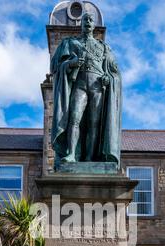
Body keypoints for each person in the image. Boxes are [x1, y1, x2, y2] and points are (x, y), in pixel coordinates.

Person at [51, 12, 122, 170]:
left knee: (94, 124)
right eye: (85, 20)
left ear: (94, 25)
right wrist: (72, 63)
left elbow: (114, 72)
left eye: (91, 20)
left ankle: (90, 157)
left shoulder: (103, 47)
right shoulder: (71, 42)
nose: (88, 22)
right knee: (74, 119)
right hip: (80, 84)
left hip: (97, 87)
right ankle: (70, 154)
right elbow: (56, 66)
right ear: (81, 24)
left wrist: (108, 79)